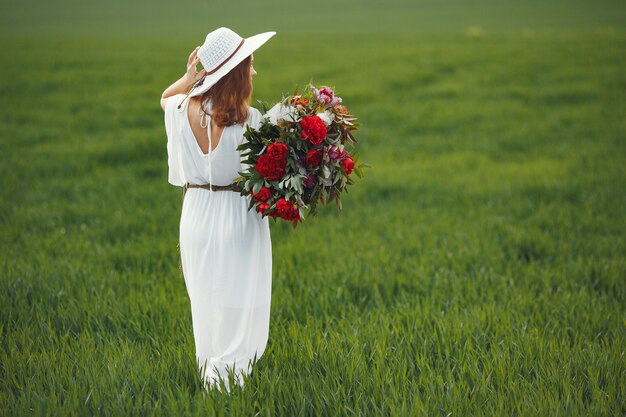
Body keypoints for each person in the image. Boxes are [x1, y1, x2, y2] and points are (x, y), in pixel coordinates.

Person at [160, 27, 276, 392]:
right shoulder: (252, 121)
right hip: (236, 213)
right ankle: (228, 382)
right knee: (240, 300)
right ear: (237, 73)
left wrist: (189, 77)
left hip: (196, 213)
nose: (254, 73)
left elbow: (166, 97)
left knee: (206, 301)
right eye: (250, 66)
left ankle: (212, 375)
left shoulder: (180, 109)